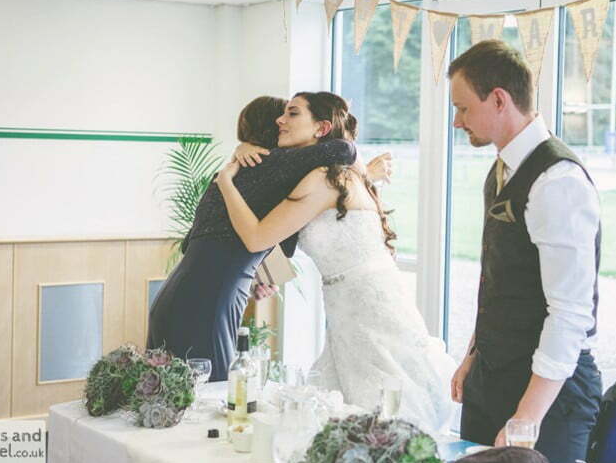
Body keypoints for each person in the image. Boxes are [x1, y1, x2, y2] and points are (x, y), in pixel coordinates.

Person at [218, 92, 456, 433]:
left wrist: (226, 182)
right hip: (347, 305)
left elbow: (258, 237)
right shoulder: (329, 175)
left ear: (321, 128)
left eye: (292, 114)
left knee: (382, 403)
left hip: (368, 305)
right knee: (354, 404)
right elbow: (284, 240)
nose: (280, 121)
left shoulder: (326, 179)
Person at [447, 40, 602, 463]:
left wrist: (526, 417)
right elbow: (499, 278)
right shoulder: (500, 169)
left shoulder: (558, 181)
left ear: (499, 99)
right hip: (492, 379)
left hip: (548, 395)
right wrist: (474, 356)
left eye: (462, 108)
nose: (457, 122)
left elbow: (570, 312)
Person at [147, 96, 358, 381]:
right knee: (212, 400)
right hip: (208, 305)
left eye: (291, 116)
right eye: (282, 117)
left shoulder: (246, 172)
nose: (284, 122)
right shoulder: (271, 165)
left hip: (181, 298)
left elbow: (207, 243)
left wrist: (259, 274)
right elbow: (344, 149)